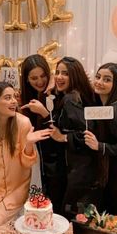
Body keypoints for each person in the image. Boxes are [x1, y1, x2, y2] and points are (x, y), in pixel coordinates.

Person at [0, 82, 52, 227]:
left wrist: (28, 144)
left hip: (15, 191)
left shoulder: (23, 123)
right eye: (7, 98)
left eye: (14, 96)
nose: (14, 101)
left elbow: (27, 164)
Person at [49, 56, 101, 220]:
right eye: (57, 72)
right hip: (83, 165)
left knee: (71, 214)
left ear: (75, 76)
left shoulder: (71, 99)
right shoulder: (77, 95)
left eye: (65, 73)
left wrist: (62, 137)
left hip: (80, 166)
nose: (59, 77)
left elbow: (86, 131)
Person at [20, 54, 67, 214]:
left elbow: (62, 130)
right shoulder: (23, 98)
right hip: (35, 160)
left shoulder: (58, 93)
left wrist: (45, 113)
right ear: (26, 79)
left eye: (43, 76)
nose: (40, 81)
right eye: (34, 78)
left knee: (55, 206)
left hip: (58, 161)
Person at [84, 62, 117, 217]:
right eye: (98, 76)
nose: (99, 82)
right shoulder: (106, 105)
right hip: (112, 174)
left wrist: (100, 146)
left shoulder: (116, 114)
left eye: (107, 79)